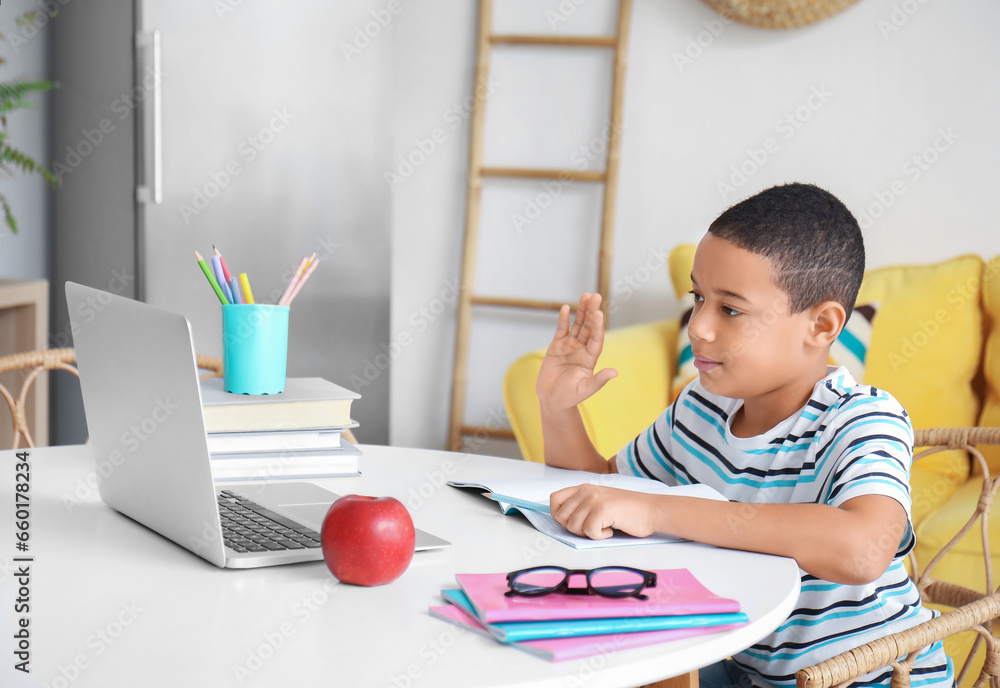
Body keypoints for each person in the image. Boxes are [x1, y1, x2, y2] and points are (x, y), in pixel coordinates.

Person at [536, 183, 953, 687]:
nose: (699, 328)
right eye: (698, 298)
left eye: (730, 309)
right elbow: (605, 491)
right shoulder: (700, 405)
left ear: (821, 325)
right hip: (749, 670)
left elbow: (864, 549)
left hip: (873, 680)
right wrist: (558, 409)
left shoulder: (864, 418)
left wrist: (660, 511)